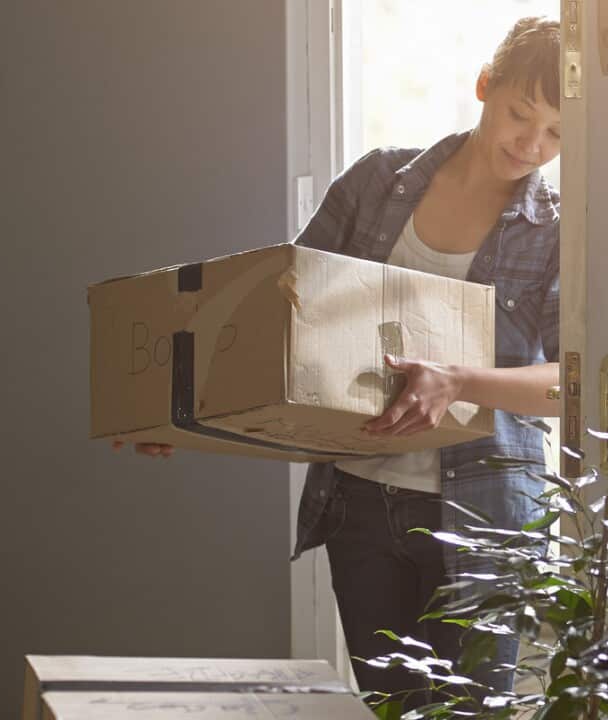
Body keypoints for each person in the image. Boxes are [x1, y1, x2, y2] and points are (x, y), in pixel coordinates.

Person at [116, 16, 562, 708]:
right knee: (393, 710)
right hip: (359, 507)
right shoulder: (378, 182)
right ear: (484, 86)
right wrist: (178, 416)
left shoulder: (557, 230)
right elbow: (275, 316)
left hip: (484, 522)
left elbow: (572, 385)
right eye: (519, 114)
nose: (531, 144)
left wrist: (460, 381)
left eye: (557, 134)